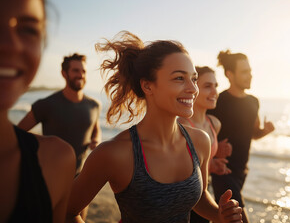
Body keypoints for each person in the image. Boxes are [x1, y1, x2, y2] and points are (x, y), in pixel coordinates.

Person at [66, 31, 243, 223]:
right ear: (148, 86)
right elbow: (67, 210)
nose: (193, 89)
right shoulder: (115, 153)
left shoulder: (200, 141)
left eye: (193, 78)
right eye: (179, 78)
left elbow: (198, 199)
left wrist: (219, 214)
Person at [0, 0, 76, 222]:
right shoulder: (47, 104)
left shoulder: (56, 160)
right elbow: (23, 126)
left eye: (28, 30)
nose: (9, 44)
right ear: (64, 73)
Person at [208, 50, 275, 223]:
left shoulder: (253, 101)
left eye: (250, 71)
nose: (250, 76)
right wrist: (213, 149)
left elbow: (253, 133)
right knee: (239, 219)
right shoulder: (218, 101)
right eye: (244, 72)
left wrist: (265, 131)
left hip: (241, 171)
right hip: (223, 171)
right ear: (230, 75)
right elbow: (199, 131)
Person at [18, 53, 101, 174]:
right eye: (76, 70)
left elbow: (95, 128)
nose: (81, 75)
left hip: (78, 178)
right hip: (47, 177)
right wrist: (41, 143)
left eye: (84, 71)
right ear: (64, 73)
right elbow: (17, 132)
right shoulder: (46, 104)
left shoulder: (94, 105)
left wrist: (96, 140)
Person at [178, 66, 232, 223]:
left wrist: (219, 151)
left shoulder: (214, 124)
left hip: (204, 193)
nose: (214, 92)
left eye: (216, 86)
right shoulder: (182, 124)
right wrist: (211, 165)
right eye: (207, 86)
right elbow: (178, 169)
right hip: (184, 200)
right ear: (193, 88)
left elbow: (205, 156)